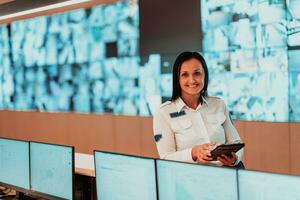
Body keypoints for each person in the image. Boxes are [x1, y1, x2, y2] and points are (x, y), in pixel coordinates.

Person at [153, 51, 244, 167]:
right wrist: (193, 153)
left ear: (205, 75)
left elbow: (236, 142)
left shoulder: (219, 104)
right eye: (185, 75)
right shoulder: (164, 112)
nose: (192, 80)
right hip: (189, 180)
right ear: (177, 79)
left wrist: (234, 159)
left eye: (197, 73)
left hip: (225, 177)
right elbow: (165, 157)